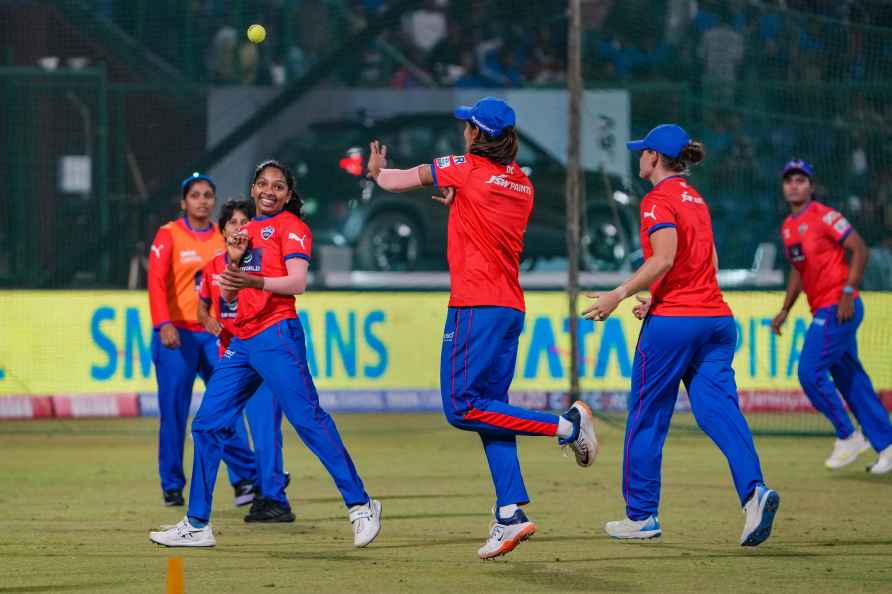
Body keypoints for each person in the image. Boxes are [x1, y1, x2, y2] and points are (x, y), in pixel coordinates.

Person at [364, 96, 597, 560]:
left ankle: (566, 426)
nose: (463, 132)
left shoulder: (465, 168)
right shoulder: (523, 184)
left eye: (466, 126)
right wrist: (458, 201)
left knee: (460, 409)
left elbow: (398, 181)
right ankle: (509, 512)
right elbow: (485, 220)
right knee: (492, 410)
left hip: (475, 306)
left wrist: (375, 172)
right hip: (510, 306)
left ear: (475, 133)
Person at [150, 161, 381, 548]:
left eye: (277, 185)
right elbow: (227, 295)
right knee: (207, 425)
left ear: (288, 194)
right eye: (262, 184)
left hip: (277, 335)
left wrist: (250, 276)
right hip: (243, 339)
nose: (269, 190)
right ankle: (197, 523)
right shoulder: (245, 233)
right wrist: (237, 261)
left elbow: (297, 282)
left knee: (307, 420)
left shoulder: (292, 227)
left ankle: (360, 504)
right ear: (253, 190)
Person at [583, 124, 779, 546]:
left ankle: (641, 516)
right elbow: (706, 257)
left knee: (647, 416)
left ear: (654, 157)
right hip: (716, 320)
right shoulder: (696, 199)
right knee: (718, 412)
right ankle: (754, 493)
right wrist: (659, 296)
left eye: (642, 152)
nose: (638, 158)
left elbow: (666, 257)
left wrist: (619, 294)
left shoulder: (658, 200)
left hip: (676, 324)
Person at [770, 160, 892, 474]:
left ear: (811, 186)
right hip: (825, 307)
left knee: (809, 372)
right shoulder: (787, 227)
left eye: (800, 180)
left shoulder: (825, 216)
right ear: (784, 187)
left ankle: (848, 435)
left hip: (839, 306)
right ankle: (888, 446)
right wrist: (785, 309)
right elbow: (799, 271)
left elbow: (860, 250)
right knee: (852, 380)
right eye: (789, 181)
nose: (794, 185)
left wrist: (849, 292)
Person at [148, 172, 258, 508]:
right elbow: (155, 282)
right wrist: (162, 324)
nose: (202, 201)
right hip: (176, 334)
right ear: (184, 202)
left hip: (214, 333)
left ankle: (244, 480)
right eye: (195, 195)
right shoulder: (168, 235)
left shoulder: (223, 236)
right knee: (174, 412)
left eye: (208, 195)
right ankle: (172, 485)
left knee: (226, 408)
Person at [197, 198, 293, 522]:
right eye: (232, 223)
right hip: (231, 360)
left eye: (244, 222)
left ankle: (274, 498)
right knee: (217, 426)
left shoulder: (263, 264)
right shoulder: (213, 267)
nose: (239, 228)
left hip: (261, 355)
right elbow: (204, 303)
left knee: (266, 430)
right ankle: (259, 483)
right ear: (222, 229)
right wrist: (208, 320)